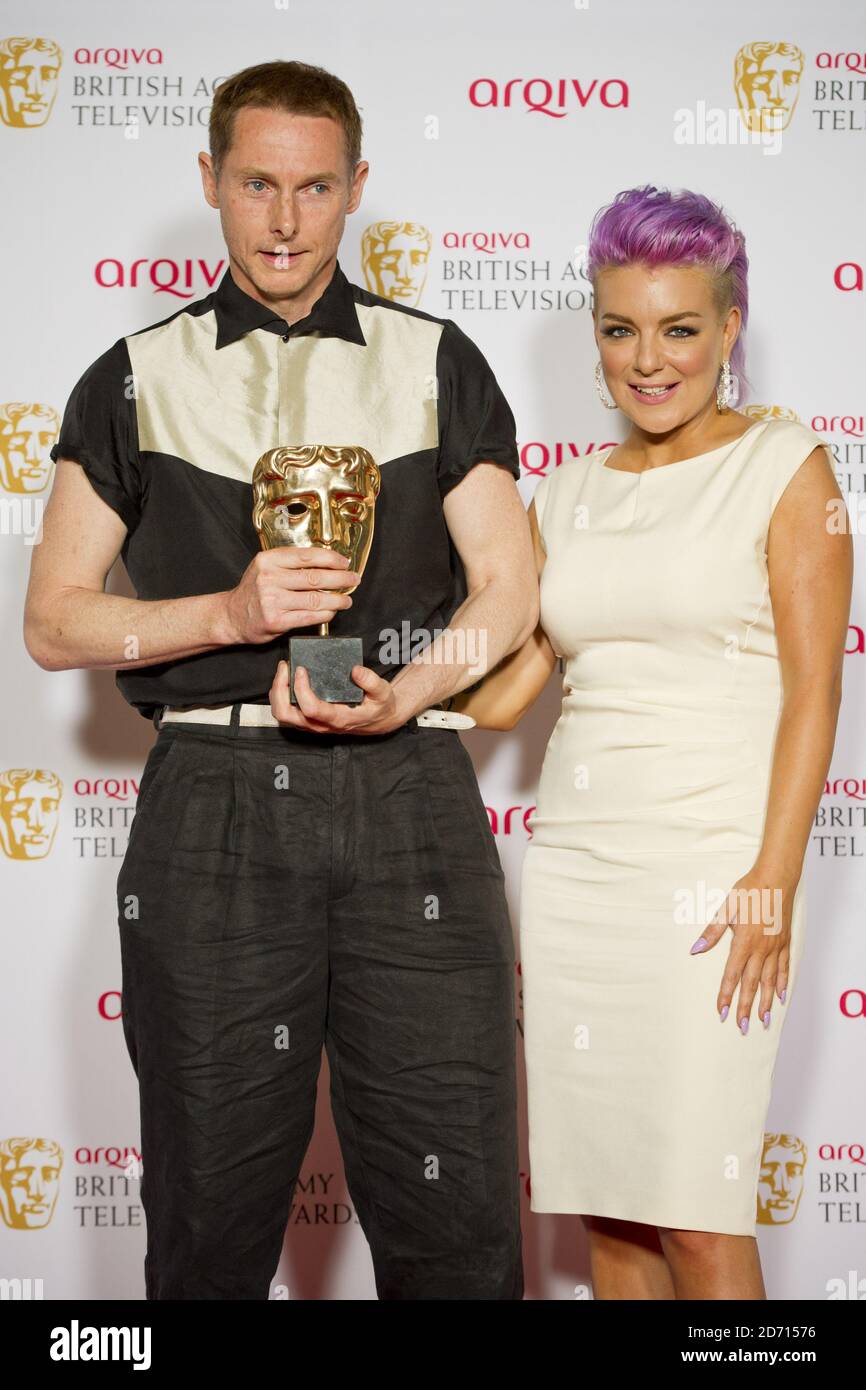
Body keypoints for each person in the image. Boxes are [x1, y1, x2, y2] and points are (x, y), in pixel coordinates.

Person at [23, 59, 536, 1301]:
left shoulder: (434, 358)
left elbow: (509, 587)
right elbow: (53, 620)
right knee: (208, 1208)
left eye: (315, 187)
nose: (287, 220)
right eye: (258, 184)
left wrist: (409, 694)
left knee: (453, 1198)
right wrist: (227, 611)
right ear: (210, 181)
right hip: (215, 796)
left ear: (358, 187)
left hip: (408, 790)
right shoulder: (137, 375)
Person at [452, 186, 853, 1299]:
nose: (648, 359)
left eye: (679, 328)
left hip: (714, 881)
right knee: (611, 1218)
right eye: (620, 328)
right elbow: (503, 693)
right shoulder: (568, 494)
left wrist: (771, 879)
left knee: (699, 1217)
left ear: (729, 328)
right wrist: (359, 662)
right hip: (581, 878)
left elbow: (814, 695)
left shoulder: (786, 472)